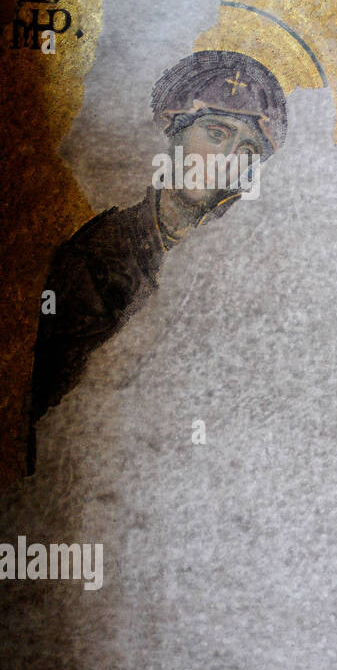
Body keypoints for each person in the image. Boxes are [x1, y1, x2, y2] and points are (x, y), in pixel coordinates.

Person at [26, 50, 287, 472]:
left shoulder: (240, 261)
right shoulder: (100, 254)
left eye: (245, 150)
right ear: (176, 135)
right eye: (216, 134)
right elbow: (48, 403)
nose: (224, 160)